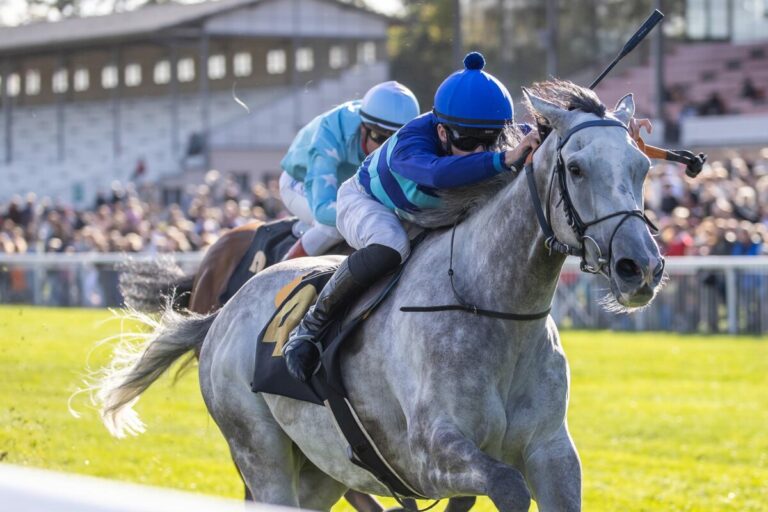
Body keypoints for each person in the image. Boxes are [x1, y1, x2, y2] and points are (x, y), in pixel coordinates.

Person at [281, 52, 542, 382]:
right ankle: (310, 328)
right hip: (368, 203)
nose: (481, 150)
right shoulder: (412, 142)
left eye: (490, 140)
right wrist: (503, 158)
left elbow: (556, 136)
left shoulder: (495, 137)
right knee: (392, 245)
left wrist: (619, 131)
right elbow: (436, 175)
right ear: (442, 131)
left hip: (425, 214)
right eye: (470, 140)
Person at [278, 81, 420, 259]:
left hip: (351, 192)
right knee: (334, 226)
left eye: (395, 143)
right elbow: (322, 209)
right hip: (298, 182)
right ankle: (281, 280)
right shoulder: (330, 132)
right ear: (363, 128)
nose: (384, 151)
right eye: (379, 138)